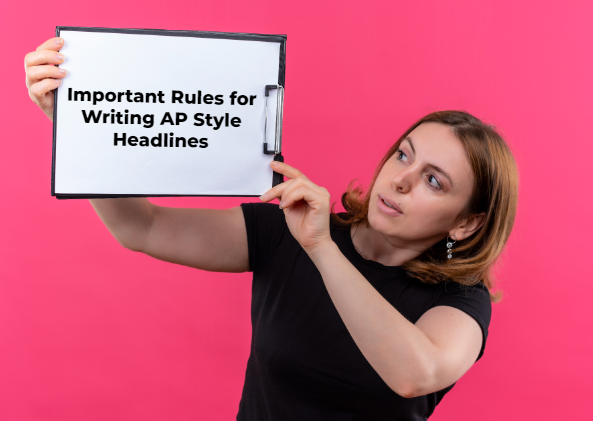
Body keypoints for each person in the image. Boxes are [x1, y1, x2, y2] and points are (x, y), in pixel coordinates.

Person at [25, 37, 519, 420]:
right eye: (403, 155)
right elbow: (142, 226)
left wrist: (322, 247)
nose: (402, 180)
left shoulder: (461, 301)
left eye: (434, 181)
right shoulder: (286, 228)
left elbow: (416, 373)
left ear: (467, 221)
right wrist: (77, 132)